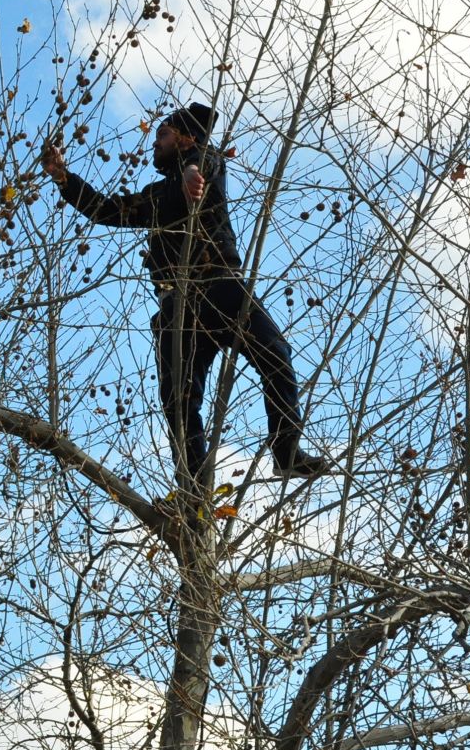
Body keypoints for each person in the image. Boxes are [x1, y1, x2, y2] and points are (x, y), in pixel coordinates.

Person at [41, 102, 327, 480]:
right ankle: (193, 491)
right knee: (178, 402)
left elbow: (205, 161)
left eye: (163, 134)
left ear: (187, 138)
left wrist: (192, 168)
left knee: (275, 353)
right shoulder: (155, 197)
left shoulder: (208, 164)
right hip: (176, 304)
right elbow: (104, 210)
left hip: (221, 286)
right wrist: (62, 177)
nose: (154, 143)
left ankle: (286, 450)